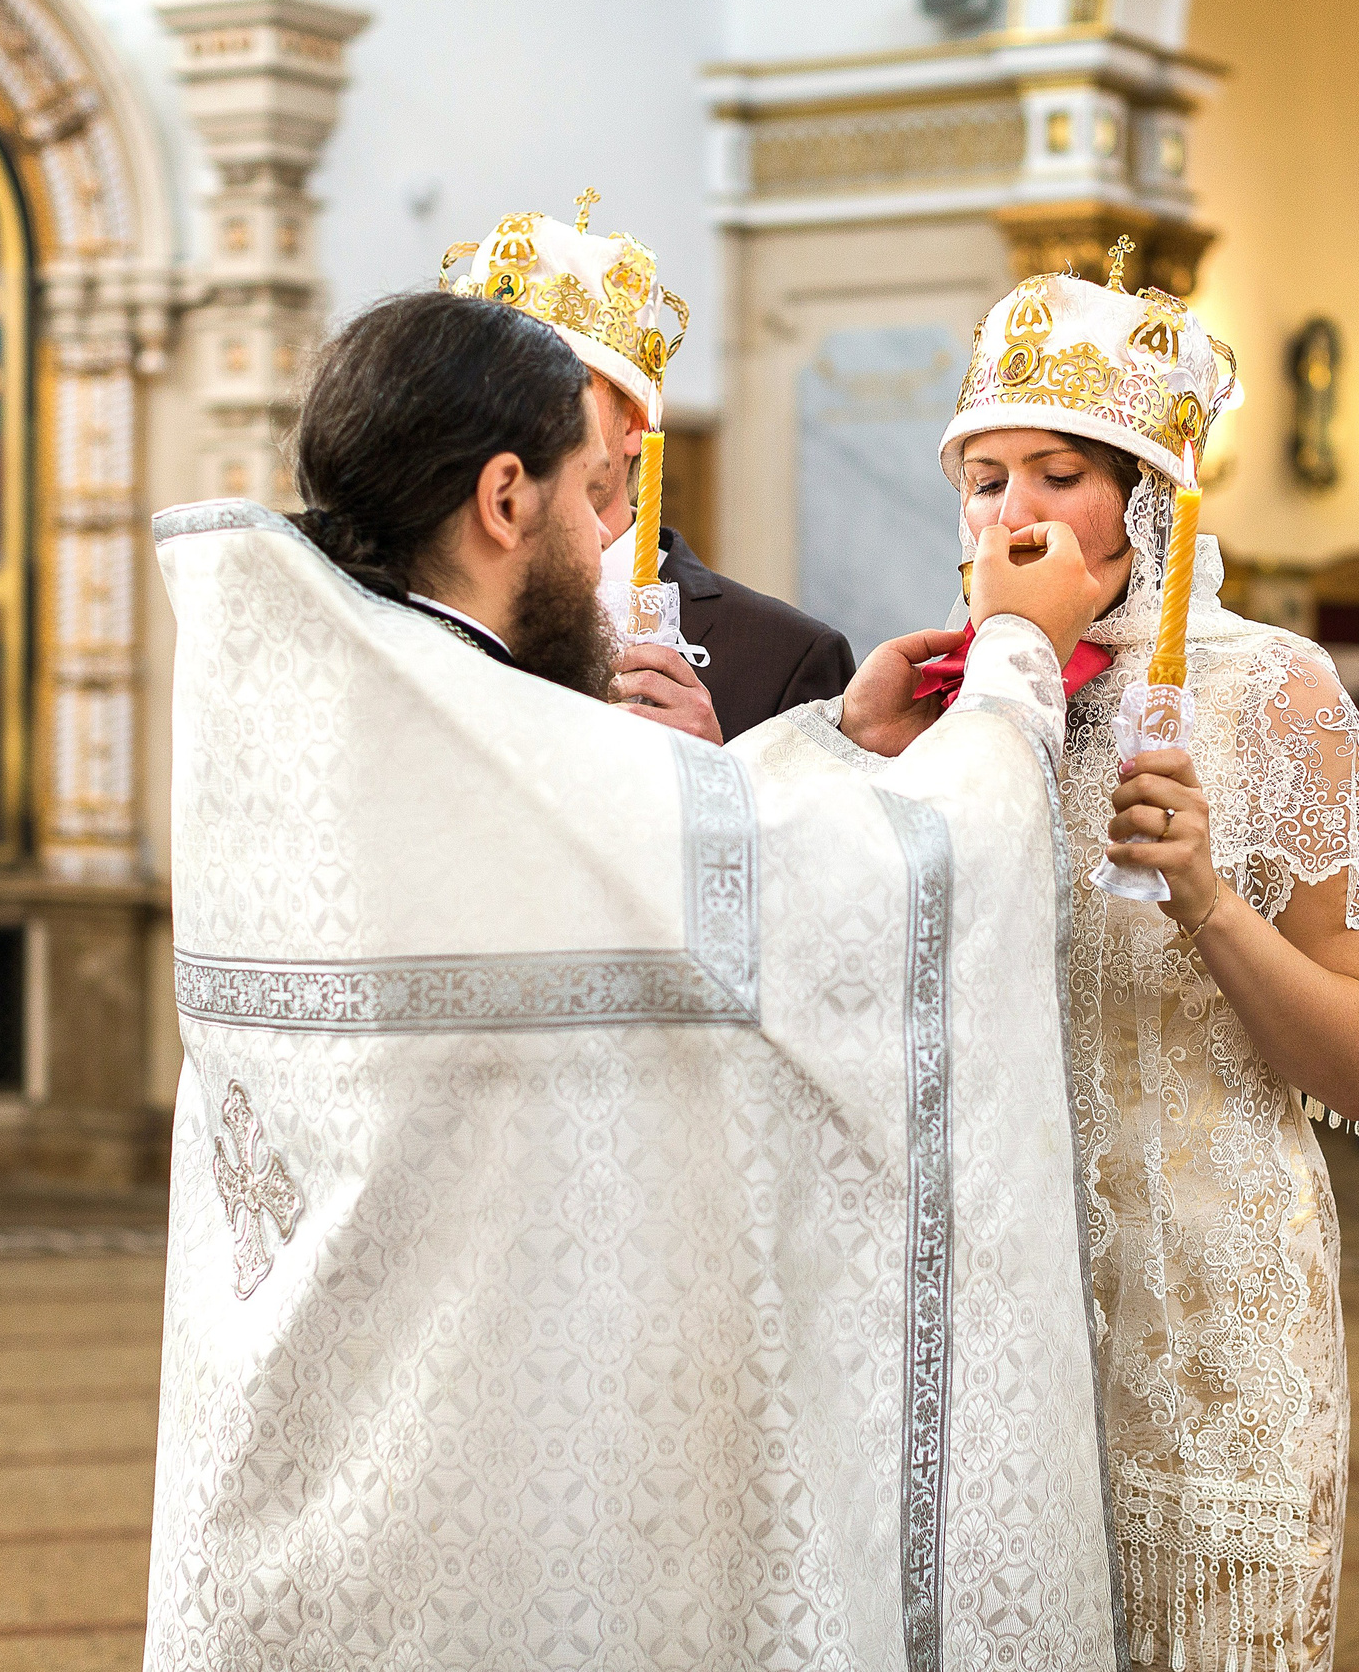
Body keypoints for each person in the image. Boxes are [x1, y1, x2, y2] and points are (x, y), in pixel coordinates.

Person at [145, 290, 1130, 1668]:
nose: (615, 540)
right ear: (505, 498)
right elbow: (886, 888)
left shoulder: (323, 714)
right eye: (595, 496)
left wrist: (830, 744)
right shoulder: (485, 734)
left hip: (319, 1479)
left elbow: (664, 858)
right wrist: (1017, 660)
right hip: (490, 1500)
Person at [743, 265, 1359, 1672]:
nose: (1015, 512)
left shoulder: (1276, 692)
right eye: (984, 478)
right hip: (993, 1311)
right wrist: (829, 748)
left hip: (1207, 1319)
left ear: (1152, 499)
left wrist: (1207, 902)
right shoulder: (949, 710)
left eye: (1059, 473)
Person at [444, 198, 853, 744]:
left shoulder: (784, 659)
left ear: (634, 422)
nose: (508, 414)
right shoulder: (421, 618)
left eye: (555, 386)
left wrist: (719, 770)